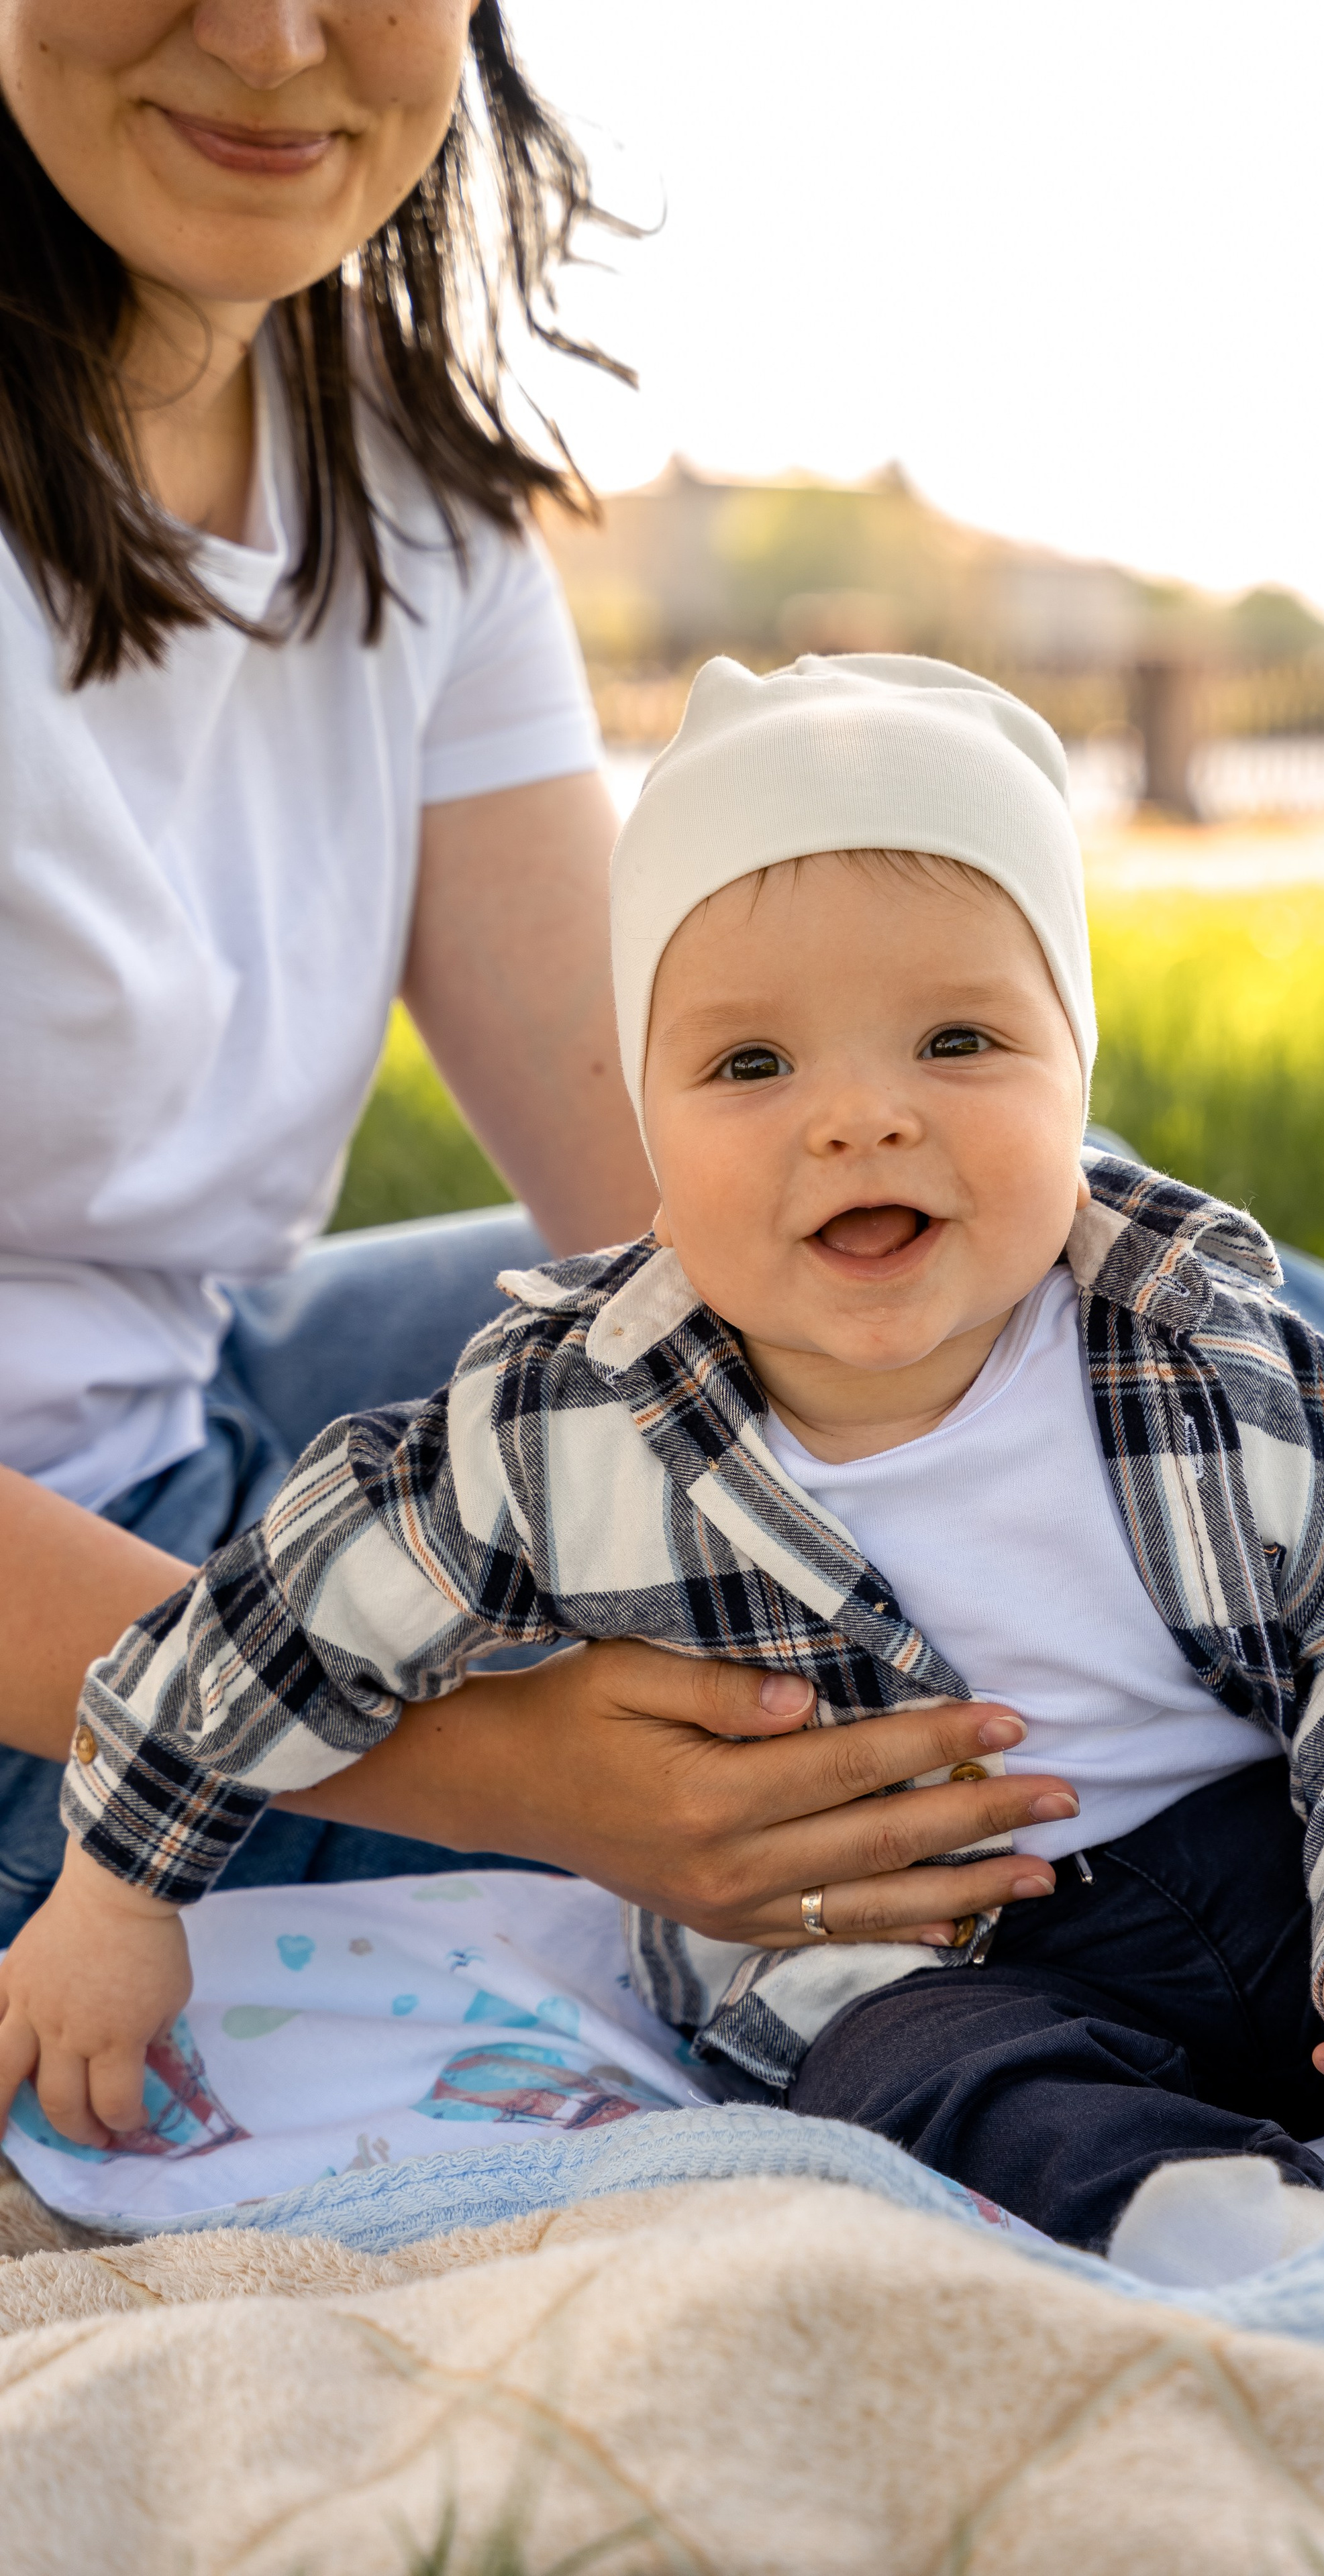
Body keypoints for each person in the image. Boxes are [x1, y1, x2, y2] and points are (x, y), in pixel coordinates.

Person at [7, 653, 1324, 2247]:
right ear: (649, 1142)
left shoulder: (1196, 1351)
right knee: (909, 2093)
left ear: (1075, 1072)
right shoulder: (564, 1426)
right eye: (749, 1064)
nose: (858, 1114)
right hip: (922, 1951)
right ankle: (1214, 2227)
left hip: (1265, 1841)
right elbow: (279, 1612)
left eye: (957, 1042)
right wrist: (116, 1884)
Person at [0, 0, 1076, 1957]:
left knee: (966, 1196)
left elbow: (671, 1163)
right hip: (44, 1658)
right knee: (1070, 1770)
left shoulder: (405, 499)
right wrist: (495, 1760)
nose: (270, 36)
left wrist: (1304, 1518)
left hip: (209, 1390)